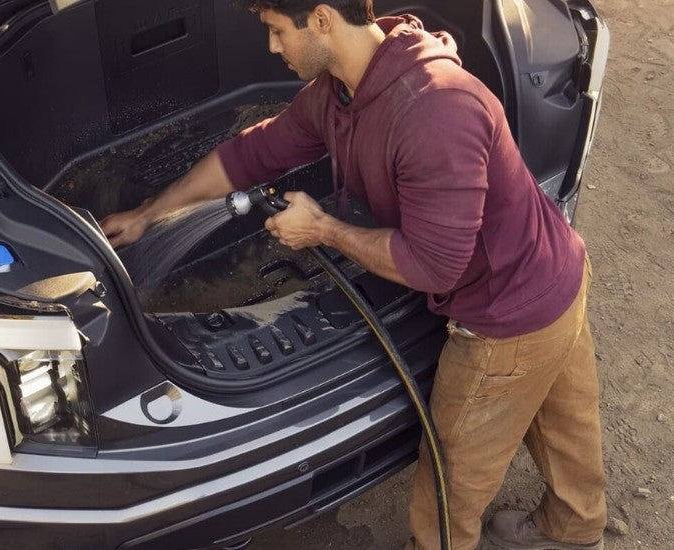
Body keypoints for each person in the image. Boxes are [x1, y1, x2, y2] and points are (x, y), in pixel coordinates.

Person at [99, 1, 606, 548]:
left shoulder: (435, 111)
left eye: (276, 31)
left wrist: (324, 230)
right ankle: (575, 528)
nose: (271, 47)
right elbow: (254, 153)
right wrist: (150, 213)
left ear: (321, 19)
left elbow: (434, 265)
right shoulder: (342, 89)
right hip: (555, 268)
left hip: (505, 313)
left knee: (452, 473)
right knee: (565, 420)